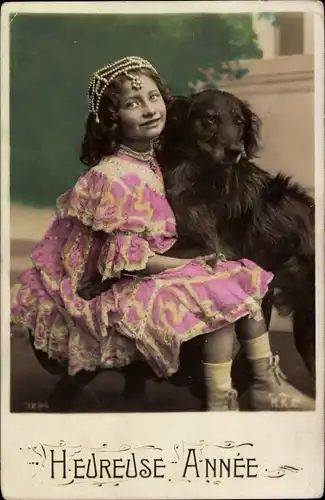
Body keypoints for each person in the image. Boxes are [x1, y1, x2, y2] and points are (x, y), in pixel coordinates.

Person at [11, 56, 314, 412]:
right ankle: (225, 398)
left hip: (151, 263)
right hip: (127, 276)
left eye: (153, 97)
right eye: (132, 103)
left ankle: (257, 385)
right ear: (113, 120)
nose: (149, 109)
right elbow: (124, 257)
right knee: (224, 292)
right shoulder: (115, 175)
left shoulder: (153, 162)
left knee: (238, 280)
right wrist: (188, 264)